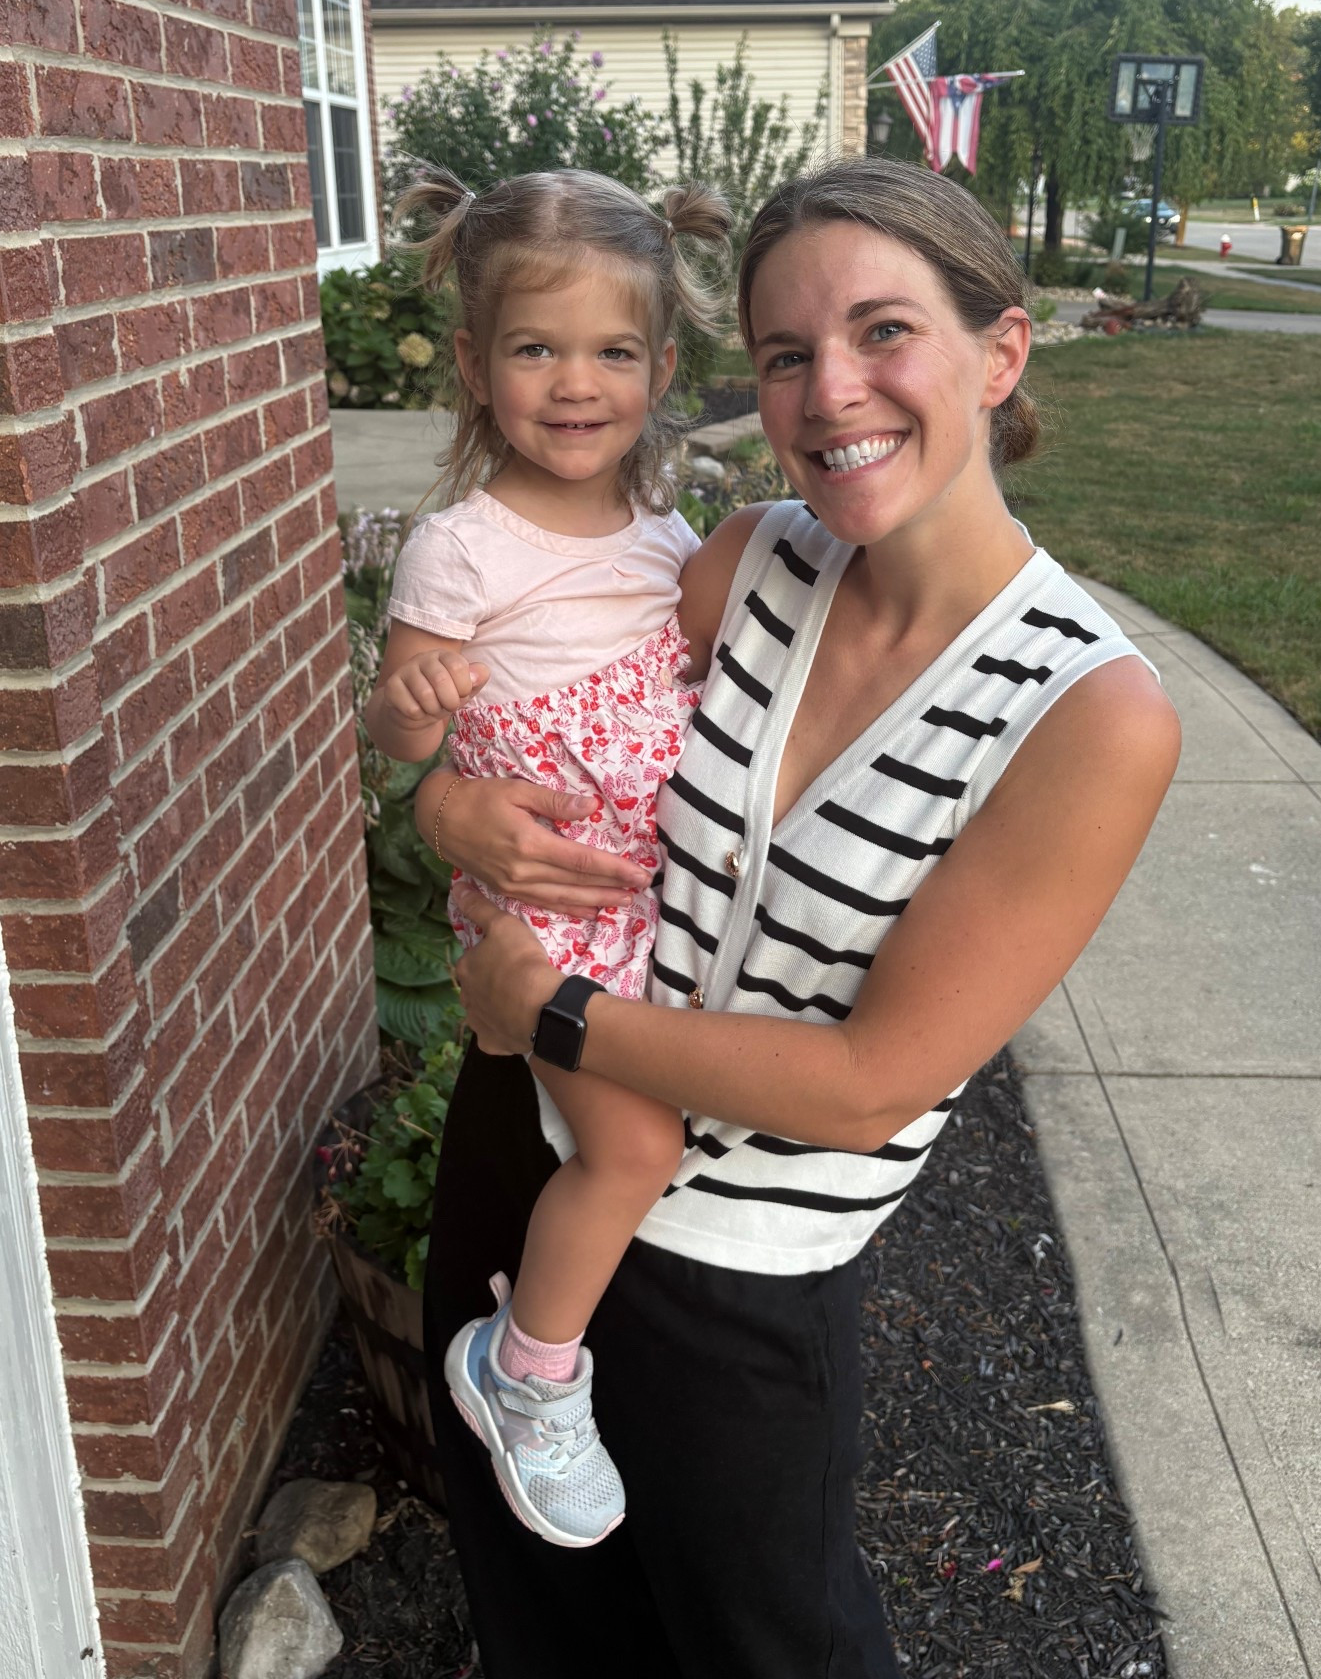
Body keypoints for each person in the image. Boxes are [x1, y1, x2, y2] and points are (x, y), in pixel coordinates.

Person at [416, 157, 1181, 1679]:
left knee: (768, 1650)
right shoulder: (741, 565)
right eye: (785, 354)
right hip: (524, 1151)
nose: (833, 392)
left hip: (738, 1277)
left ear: (1001, 351)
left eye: (884, 331)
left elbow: (868, 1085)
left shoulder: (1084, 716)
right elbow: (538, 729)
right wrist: (447, 806)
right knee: (545, 1621)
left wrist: (549, 1010)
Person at [362, 164, 734, 1549]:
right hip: (551, 910)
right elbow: (404, 730)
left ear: (661, 365)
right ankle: (524, 1369)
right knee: (634, 1149)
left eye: (611, 351)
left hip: (652, 899)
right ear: (473, 362)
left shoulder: (667, 537)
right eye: (535, 348)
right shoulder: (462, 549)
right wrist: (416, 721)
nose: (574, 384)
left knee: (667, 1140)